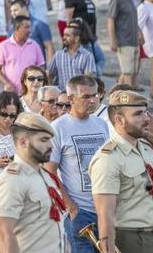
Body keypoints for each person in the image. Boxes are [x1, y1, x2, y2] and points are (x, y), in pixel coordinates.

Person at [89, 90, 153, 253]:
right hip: (130, 239)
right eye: (138, 114)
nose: (146, 119)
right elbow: (105, 215)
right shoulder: (108, 158)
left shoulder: (146, 149)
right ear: (119, 119)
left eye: (145, 112)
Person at [44, 75, 110, 253]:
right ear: (71, 98)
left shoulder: (101, 125)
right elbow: (49, 172)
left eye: (95, 95)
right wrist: (71, 207)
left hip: (106, 210)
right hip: (81, 214)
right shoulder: (57, 128)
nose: (92, 100)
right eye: (86, 96)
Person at [0, 112, 68, 253]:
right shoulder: (12, 180)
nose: (51, 146)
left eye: (50, 140)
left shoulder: (44, 176)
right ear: (23, 142)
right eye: (44, 140)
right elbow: (4, 234)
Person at [108, 0, 143, 89]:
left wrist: (139, 33)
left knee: (129, 72)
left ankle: (117, 96)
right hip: (124, 41)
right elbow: (111, 20)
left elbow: (133, 19)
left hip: (133, 41)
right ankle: (128, 101)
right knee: (127, 73)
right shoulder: (117, 0)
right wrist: (113, 40)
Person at [0, 16, 44, 92]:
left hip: (32, 93)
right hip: (12, 93)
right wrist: (7, 83)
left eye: (29, 27)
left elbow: (41, 66)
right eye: (26, 27)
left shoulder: (34, 45)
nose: (29, 30)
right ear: (17, 29)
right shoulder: (3, 46)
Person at [47, 24, 95, 92]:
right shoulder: (58, 55)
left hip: (79, 96)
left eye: (67, 35)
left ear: (76, 38)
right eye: (64, 35)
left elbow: (88, 79)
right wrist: (52, 90)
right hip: (62, 97)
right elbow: (49, 74)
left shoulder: (87, 56)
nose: (64, 37)